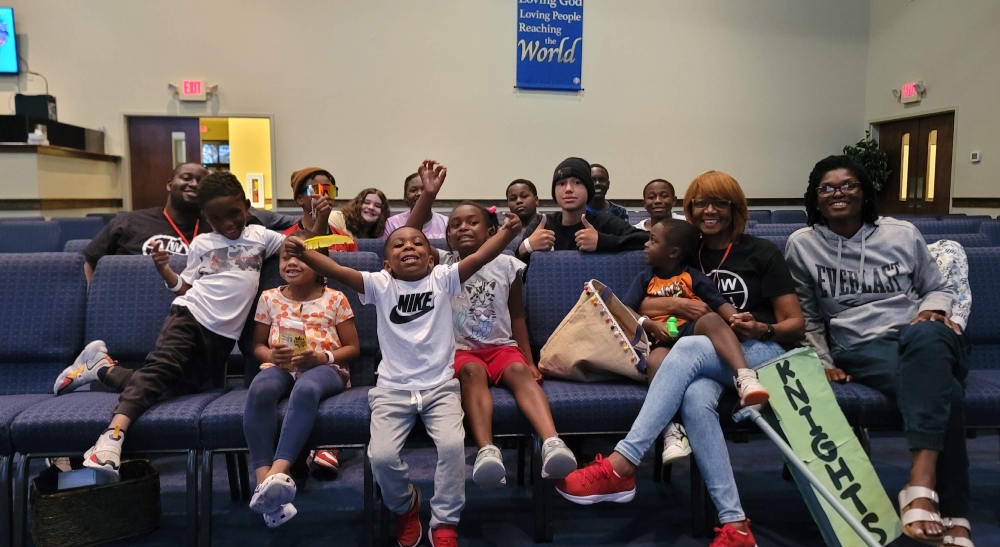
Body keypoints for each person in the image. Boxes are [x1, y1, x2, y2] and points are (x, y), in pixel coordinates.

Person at [555, 170, 805, 547]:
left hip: (759, 351)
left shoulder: (762, 252)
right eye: (700, 203)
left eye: (719, 203)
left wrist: (762, 329)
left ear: (735, 208)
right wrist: (675, 305)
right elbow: (644, 296)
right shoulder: (687, 249)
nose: (709, 211)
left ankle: (624, 462)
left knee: (687, 350)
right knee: (693, 397)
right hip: (703, 359)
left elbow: (795, 324)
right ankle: (735, 526)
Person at [284, 159, 522, 547]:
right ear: (387, 263)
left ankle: (444, 521)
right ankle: (405, 505)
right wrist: (304, 251)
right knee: (380, 457)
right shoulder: (380, 285)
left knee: (451, 449)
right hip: (392, 390)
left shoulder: (443, 279)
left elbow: (480, 257)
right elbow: (337, 269)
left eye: (417, 244)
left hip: (440, 388)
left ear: (431, 258)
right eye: (398, 245)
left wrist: (509, 233)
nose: (408, 246)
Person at [785, 155, 972, 546]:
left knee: (929, 338)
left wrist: (932, 311)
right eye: (827, 188)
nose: (838, 193)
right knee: (948, 391)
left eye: (848, 184)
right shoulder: (802, 245)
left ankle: (921, 484)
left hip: (920, 335)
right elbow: (808, 315)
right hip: (862, 345)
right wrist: (822, 360)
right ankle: (954, 511)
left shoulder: (902, 234)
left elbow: (937, 287)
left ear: (864, 191)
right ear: (815, 198)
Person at [54, 172, 286, 477]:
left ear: (246, 205)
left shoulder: (261, 236)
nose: (227, 223)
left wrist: (318, 222)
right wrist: (165, 270)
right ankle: (110, 439)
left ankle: (101, 369)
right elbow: (185, 287)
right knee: (160, 371)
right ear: (206, 217)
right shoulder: (203, 243)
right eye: (216, 218)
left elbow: (296, 246)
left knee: (176, 387)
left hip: (222, 336)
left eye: (234, 213)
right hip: (189, 315)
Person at [406, 169, 576, 489]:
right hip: (461, 351)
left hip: (501, 347)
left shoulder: (507, 264)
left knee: (520, 372)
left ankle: (552, 442)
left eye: (472, 222)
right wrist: (428, 194)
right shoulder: (441, 263)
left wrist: (528, 359)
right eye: (455, 224)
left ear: (491, 231)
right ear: (448, 236)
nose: (463, 228)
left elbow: (517, 316)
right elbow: (408, 235)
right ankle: (487, 449)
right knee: (472, 373)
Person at [243, 230, 360, 528]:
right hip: (282, 366)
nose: (291, 263)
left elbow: (353, 348)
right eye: (285, 258)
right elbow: (256, 346)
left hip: (326, 368)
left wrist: (322, 358)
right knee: (259, 390)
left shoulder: (335, 298)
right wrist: (271, 356)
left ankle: (277, 474)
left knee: (306, 388)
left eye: (300, 258)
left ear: (319, 264)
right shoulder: (269, 297)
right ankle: (264, 483)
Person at [623, 218, 769, 405]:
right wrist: (650, 324)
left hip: (690, 332)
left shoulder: (692, 276)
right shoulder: (645, 278)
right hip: (662, 337)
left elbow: (719, 303)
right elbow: (625, 309)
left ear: (673, 252)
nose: (646, 244)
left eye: (653, 240)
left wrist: (736, 318)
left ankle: (746, 378)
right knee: (654, 361)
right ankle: (669, 419)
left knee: (711, 319)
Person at [84, 163, 209, 283]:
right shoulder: (129, 221)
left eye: (201, 182)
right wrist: (91, 295)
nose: (194, 184)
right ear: (169, 185)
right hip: (135, 295)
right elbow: (90, 260)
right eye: (186, 178)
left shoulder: (214, 229)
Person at [516, 157, 648, 262]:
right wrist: (528, 246)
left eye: (577, 183)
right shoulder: (542, 223)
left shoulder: (604, 221)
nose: (568, 189)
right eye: (561, 183)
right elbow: (516, 267)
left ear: (588, 190)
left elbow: (646, 239)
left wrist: (601, 241)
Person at [283, 167, 357, 252]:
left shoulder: (347, 240)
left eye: (330, 190)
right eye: (318, 190)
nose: (327, 196)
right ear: (300, 199)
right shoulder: (287, 239)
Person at [382, 172, 449, 239]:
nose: (419, 193)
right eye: (413, 190)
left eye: (424, 190)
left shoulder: (446, 223)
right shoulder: (392, 223)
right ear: (405, 196)